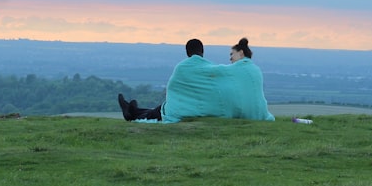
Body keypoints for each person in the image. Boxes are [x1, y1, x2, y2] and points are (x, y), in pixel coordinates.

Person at [117, 37, 275, 123]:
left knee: (165, 110)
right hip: (199, 104)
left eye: (232, 55)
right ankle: (132, 110)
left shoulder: (236, 71)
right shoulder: (250, 71)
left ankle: (132, 113)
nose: (230, 59)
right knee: (164, 108)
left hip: (201, 107)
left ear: (241, 53)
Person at [118, 38, 205, 121]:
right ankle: (133, 111)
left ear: (187, 53)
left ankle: (132, 114)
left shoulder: (183, 68)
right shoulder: (209, 69)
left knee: (158, 112)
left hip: (188, 108)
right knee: (157, 110)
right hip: (195, 106)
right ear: (202, 51)